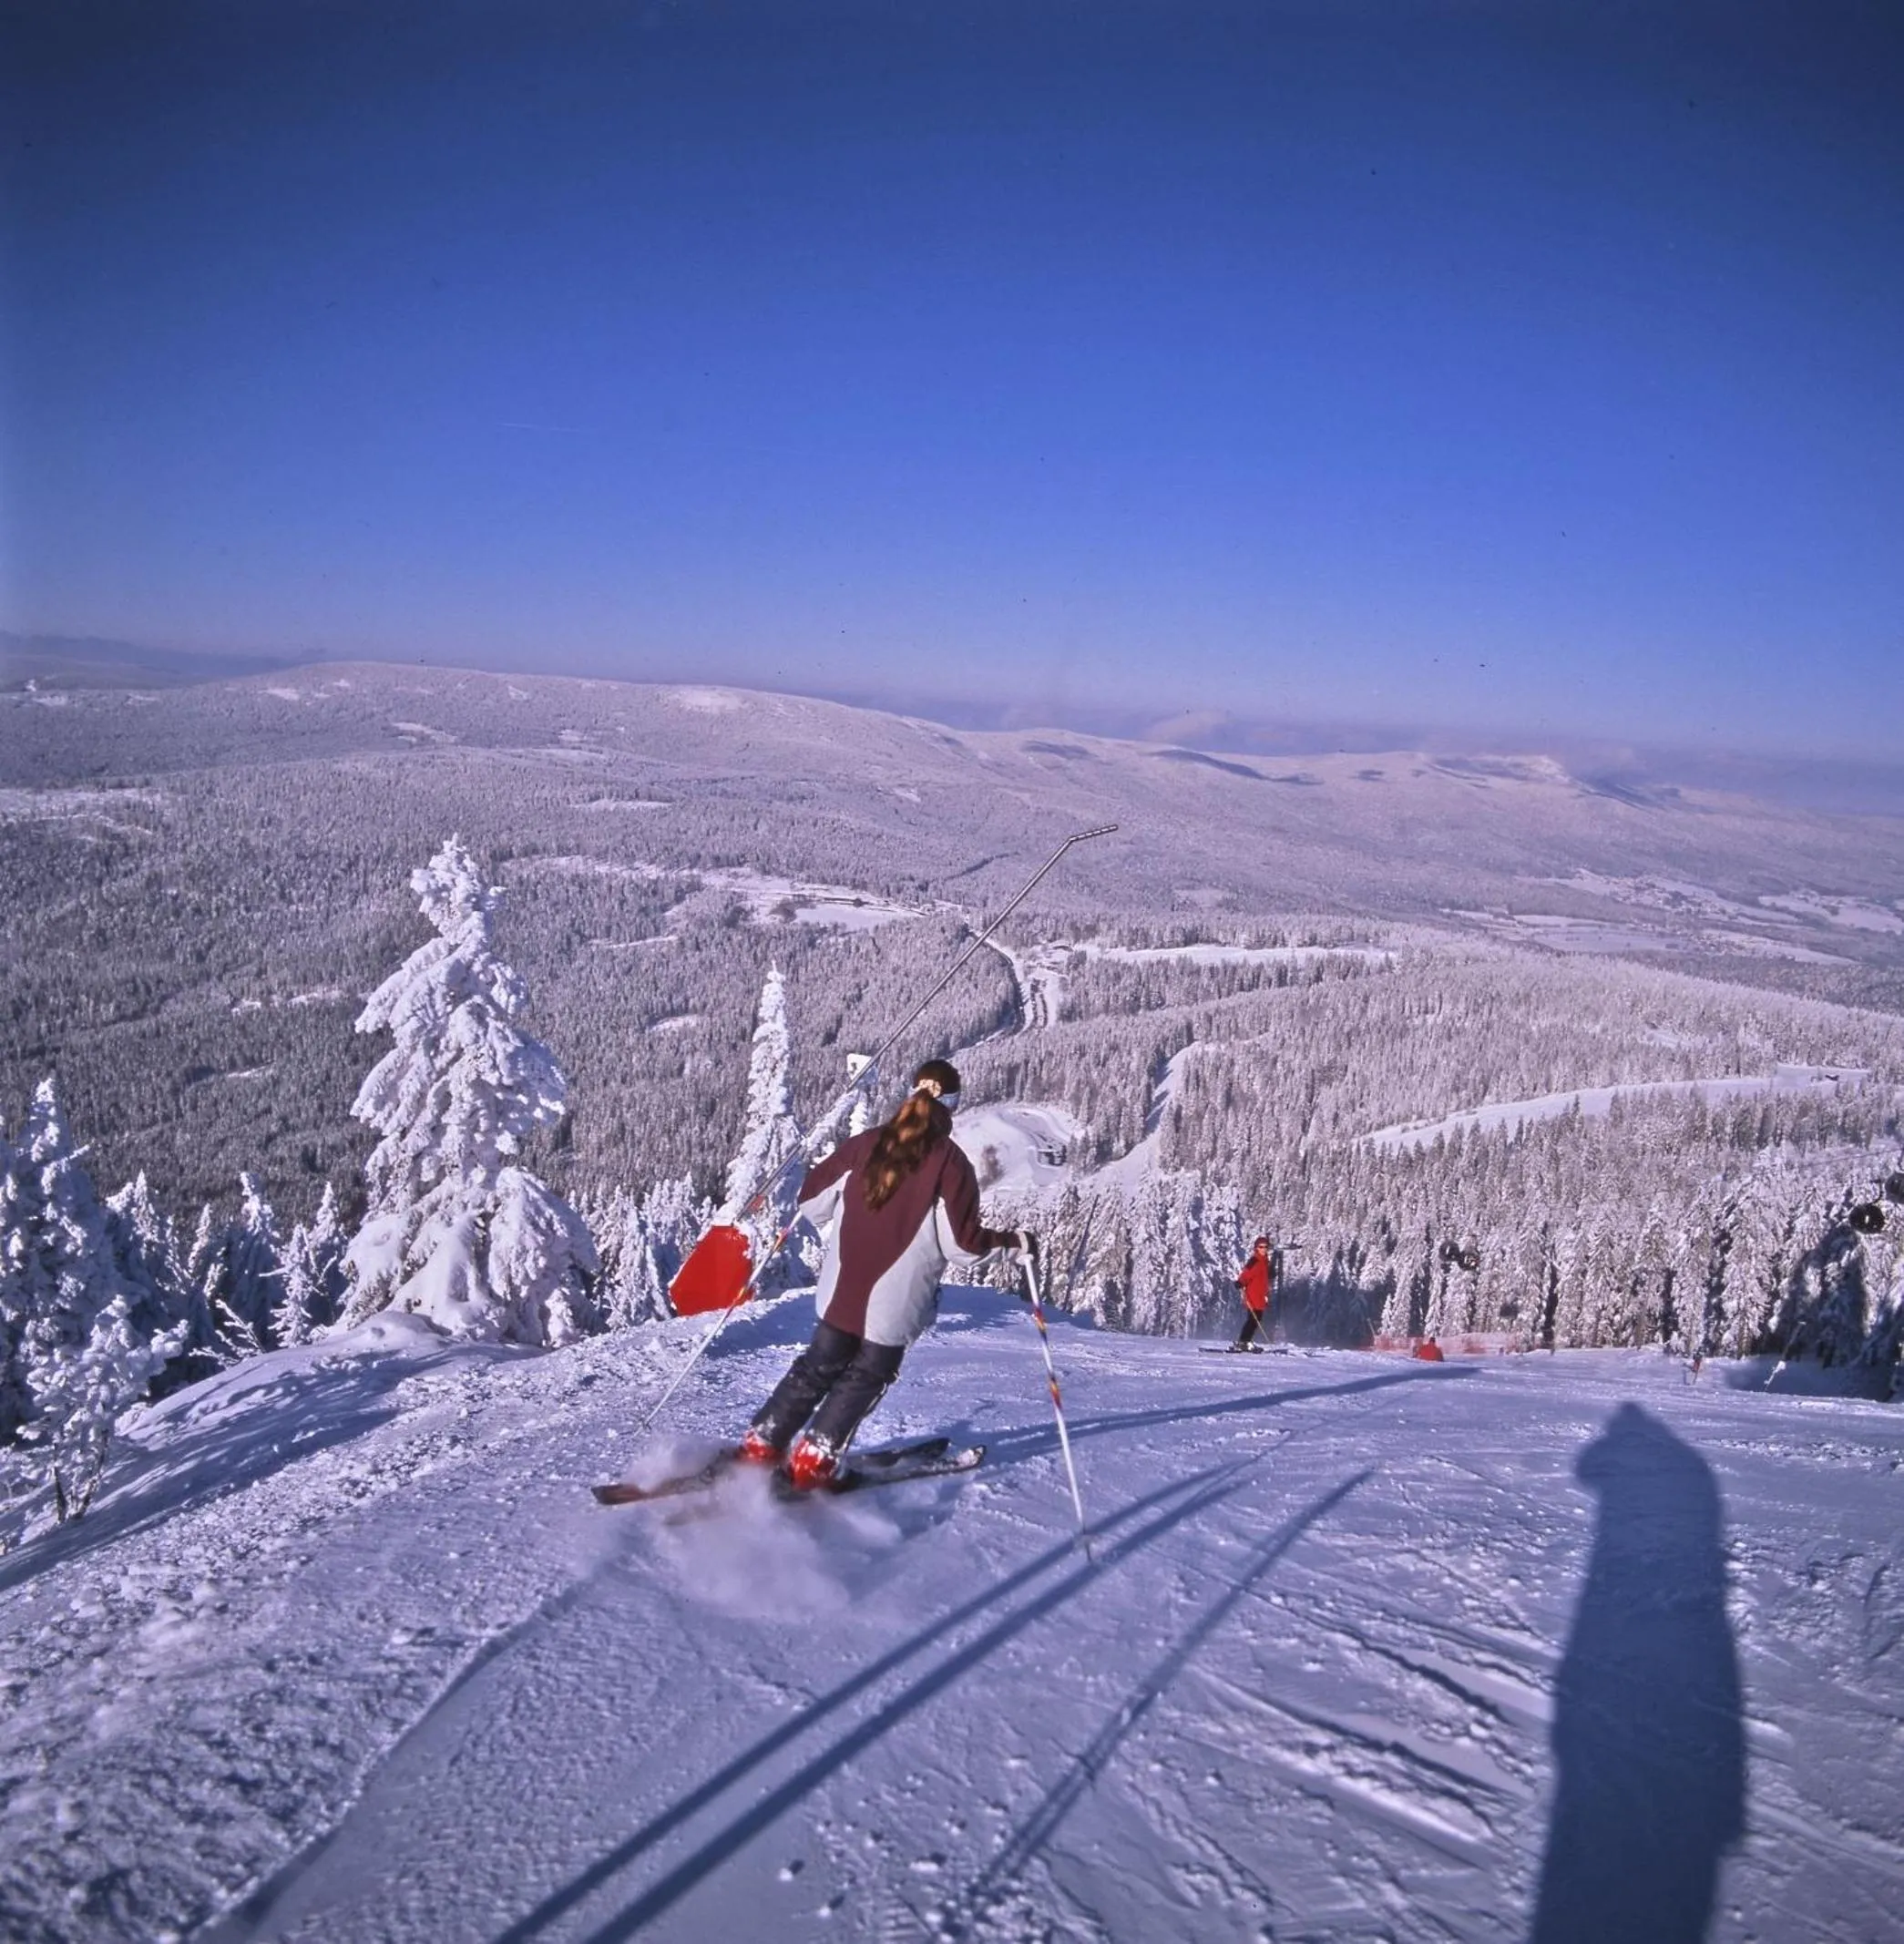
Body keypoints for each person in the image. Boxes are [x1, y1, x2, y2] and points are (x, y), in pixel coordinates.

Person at [739, 1058, 1031, 1489]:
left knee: (818, 1364)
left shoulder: (866, 1144)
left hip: (839, 1288)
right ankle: (813, 1460)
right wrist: (1014, 1242)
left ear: (911, 1092)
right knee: (867, 1375)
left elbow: (811, 1200)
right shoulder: (951, 1165)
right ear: (952, 1104)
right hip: (893, 1303)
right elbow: (963, 1246)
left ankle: (763, 1443)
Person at [1230, 1235, 1274, 1350]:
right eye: (1261, 1247)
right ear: (1256, 1248)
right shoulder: (1254, 1260)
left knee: (1256, 1319)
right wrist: (1240, 1282)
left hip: (1260, 1295)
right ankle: (1243, 1341)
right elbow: (1246, 1273)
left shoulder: (1265, 1261)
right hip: (1252, 1295)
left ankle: (1245, 1341)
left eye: (1265, 1247)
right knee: (1253, 1320)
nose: (1263, 1249)